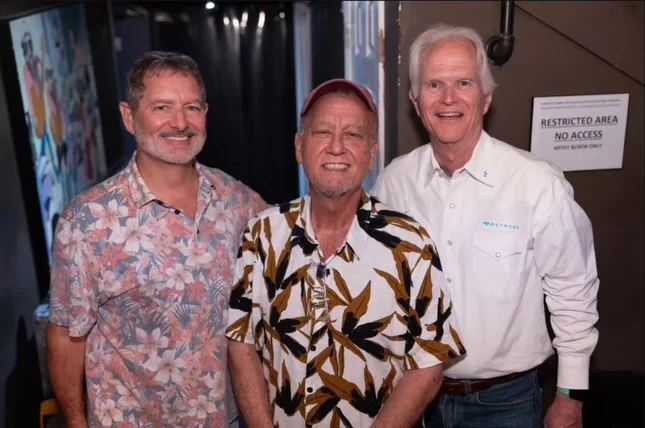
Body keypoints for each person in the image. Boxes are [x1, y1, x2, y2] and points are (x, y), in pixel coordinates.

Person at [372, 23, 599, 428]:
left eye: (463, 82)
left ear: (487, 97)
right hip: (414, 398)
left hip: (506, 404)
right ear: (414, 99)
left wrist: (570, 399)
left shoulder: (536, 184)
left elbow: (573, 294)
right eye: (434, 84)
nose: (448, 98)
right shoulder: (394, 184)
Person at [225, 78, 465, 427]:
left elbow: (430, 364)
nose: (337, 147)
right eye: (323, 132)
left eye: (353, 135)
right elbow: (241, 343)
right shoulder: (262, 234)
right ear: (299, 146)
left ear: (371, 153)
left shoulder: (410, 245)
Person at [47, 51, 267, 427]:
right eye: (162, 107)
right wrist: (75, 421)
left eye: (192, 107)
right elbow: (67, 336)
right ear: (129, 117)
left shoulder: (238, 201)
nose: (180, 122)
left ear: (206, 114)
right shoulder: (88, 221)